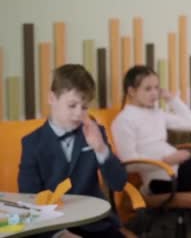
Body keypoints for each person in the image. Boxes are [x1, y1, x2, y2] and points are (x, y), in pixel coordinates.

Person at [19, 64, 127, 238]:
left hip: (94, 224)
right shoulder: (32, 143)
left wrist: (101, 149)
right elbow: (28, 200)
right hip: (51, 227)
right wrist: (60, 234)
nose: (78, 114)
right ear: (52, 98)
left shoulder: (95, 132)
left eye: (84, 107)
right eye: (72, 105)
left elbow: (119, 183)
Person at [112, 65, 191, 194]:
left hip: (179, 169)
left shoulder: (156, 113)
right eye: (148, 89)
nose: (154, 93)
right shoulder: (124, 120)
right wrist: (165, 160)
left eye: (157, 88)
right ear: (132, 91)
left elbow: (190, 121)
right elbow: (129, 164)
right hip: (163, 180)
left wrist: (171, 99)